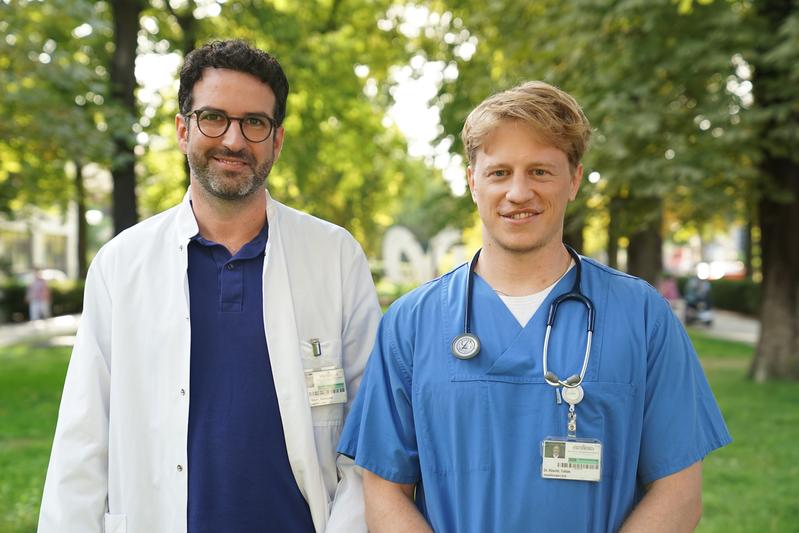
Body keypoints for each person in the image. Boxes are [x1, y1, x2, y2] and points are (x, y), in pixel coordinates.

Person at [338, 81, 731, 532]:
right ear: (473, 181)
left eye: (540, 172)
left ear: (575, 180)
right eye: (500, 172)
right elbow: (384, 488)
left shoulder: (642, 316)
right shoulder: (411, 324)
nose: (519, 192)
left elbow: (678, 492)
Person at [38, 40, 380, 533]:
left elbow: (368, 432)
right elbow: (83, 442)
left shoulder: (334, 256)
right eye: (213, 118)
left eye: (254, 123)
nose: (234, 141)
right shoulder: (122, 265)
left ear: (277, 140)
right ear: (183, 130)